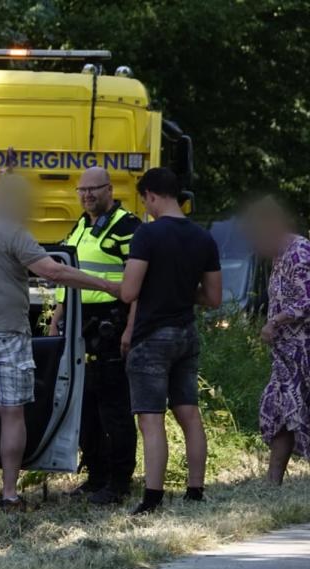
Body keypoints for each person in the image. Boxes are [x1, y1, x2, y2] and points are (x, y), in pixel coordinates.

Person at [0, 174, 122, 509]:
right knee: (12, 413)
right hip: (9, 336)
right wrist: (105, 285)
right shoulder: (14, 233)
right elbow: (53, 272)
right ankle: (9, 493)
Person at [120, 168, 222, 515]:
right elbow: (213, 298)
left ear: (151, 195)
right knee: (189, 414)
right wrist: (179, 291)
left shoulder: (146, 235)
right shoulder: (203, 238)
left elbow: (129, 291)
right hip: (185, 334)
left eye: (145, 200)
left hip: (151, 337)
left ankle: (152, 497)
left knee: (150, 419)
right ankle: (195, 491)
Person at [50, 167, 142, 504]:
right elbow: (71, 276)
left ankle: (119, 482)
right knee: (86, 405)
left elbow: (139, 284)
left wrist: (131, 327)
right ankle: (96, 476)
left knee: (113, 407)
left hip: (111, 325)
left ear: (109, 189)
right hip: (79, 324)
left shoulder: (127, 226)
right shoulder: (82, 225)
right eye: (82, 190)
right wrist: (58, 315)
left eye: (94, 189)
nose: (87, 195)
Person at [240, 196, 310, 484]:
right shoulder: (278, 255)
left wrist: (275, 321)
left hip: (303, 352)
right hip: (285, 357)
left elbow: (306, 300)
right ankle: (272, 483)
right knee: (281, 411)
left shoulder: (299, 251)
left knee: (297, 411)